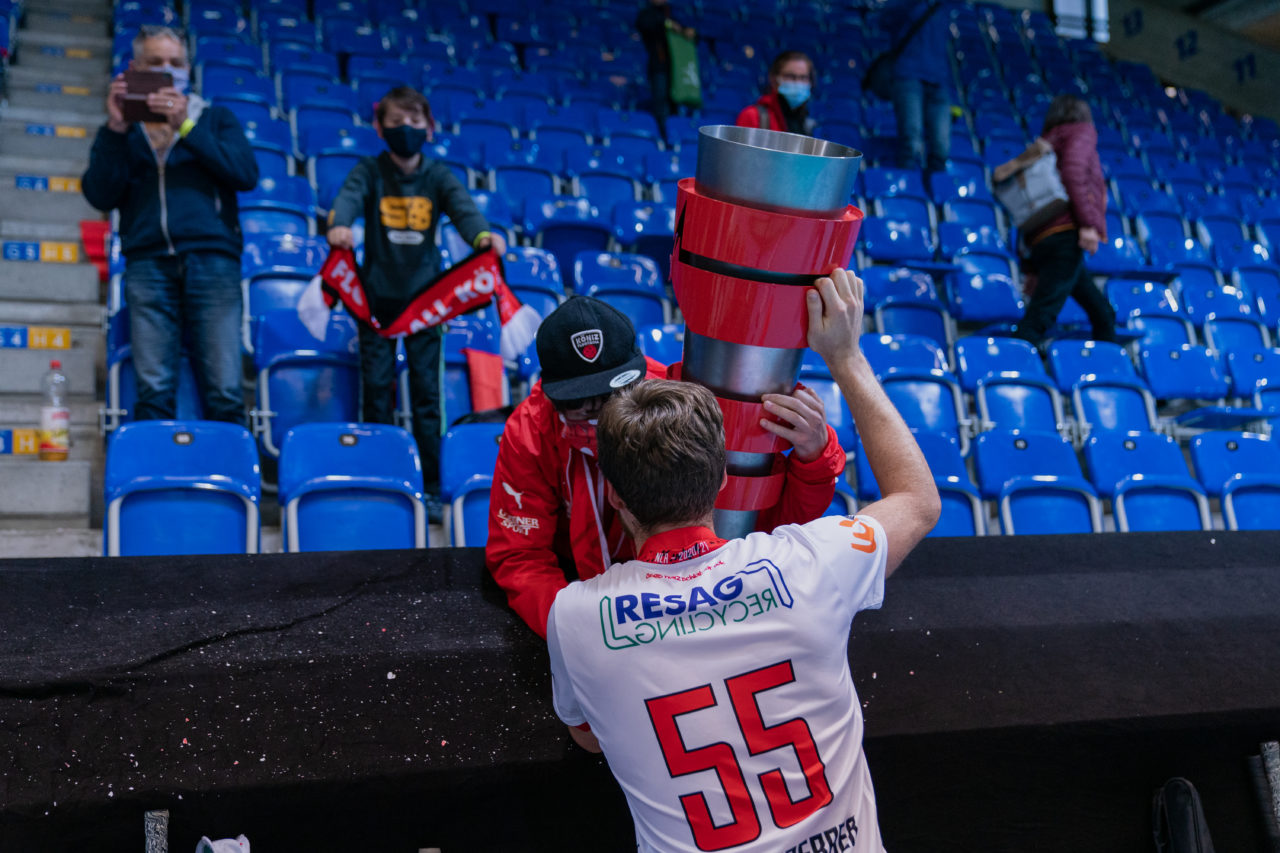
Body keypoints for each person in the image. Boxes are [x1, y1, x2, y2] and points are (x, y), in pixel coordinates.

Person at [545, 269, 941, 853]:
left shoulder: (574, 618)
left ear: (616, 498)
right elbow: (917, 500)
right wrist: (847, 357)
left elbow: (590, 739)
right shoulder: (811, 562)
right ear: (722, 477)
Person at [485, 295, 848, 639]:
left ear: (639, 375)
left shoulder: (680, 406)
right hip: (582, 593)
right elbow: (520, 555)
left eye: (611, 398)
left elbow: (770, 525)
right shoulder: (530, 430)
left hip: (696, 597)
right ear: (551, 394)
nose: (600, 416)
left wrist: (815, 456)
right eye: (581, 405)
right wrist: (574, 629)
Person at [327, 85, 505, 497]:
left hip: (428, 303)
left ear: (429, 127)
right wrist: (340, 224)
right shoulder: (368, 171)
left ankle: (429, 482)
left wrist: (481, 236)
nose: (405, 129)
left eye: (414, 122)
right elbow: (347, 200)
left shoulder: (438, 175)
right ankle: (379, 475)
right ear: (379, 127)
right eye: (395, 123)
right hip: (375, 302)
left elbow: (463, 209)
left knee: (428, 393)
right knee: (376, 390)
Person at [83, 26, 259, 424]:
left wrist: (186, 127)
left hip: (212, 263)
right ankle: (158, 480)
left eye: (175, 63)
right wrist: (115, 128)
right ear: (135, 69)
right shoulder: (122, 132)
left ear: (189, 70)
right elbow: (99, 194)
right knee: (153, 390)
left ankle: (226, 480)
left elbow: (245, 174)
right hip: (147, 264)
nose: (167, 70)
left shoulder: (214, 118)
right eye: (155, 63)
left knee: (225, 389)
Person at [996, 95, 1116, 347]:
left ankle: (1107, 370)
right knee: (1041, 315)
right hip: (1065, 234)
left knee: (1103, 313)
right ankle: (1013, 365)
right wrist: (1087, 224)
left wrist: (1030, 266)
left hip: (1043, 238)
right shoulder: (1081, 132)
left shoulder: (1048, 140)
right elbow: (1074, 174)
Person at [881, 0, 954, 173]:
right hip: (908, 75)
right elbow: (883, 21)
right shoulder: (905, 5)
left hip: (939, 80)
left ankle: (934, 194)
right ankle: (907, 190)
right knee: (910, 142)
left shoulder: (944, 5)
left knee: (941, 147)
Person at [635, 0, 694, 144]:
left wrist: (686, 30)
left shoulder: (672, 13)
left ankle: (675, 139)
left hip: (676, 70)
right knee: (661, 104)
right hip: (658, 68)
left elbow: (690, 31)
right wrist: (668, 24)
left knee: (674, 104)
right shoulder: (648, 14)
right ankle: (663, 139)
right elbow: (645, 25)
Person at [735, 50, 817, 136]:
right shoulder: (752, 116)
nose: (797, 82)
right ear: (774, 79)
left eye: (803, 77)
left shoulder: (808, 124)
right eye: (790, 76)